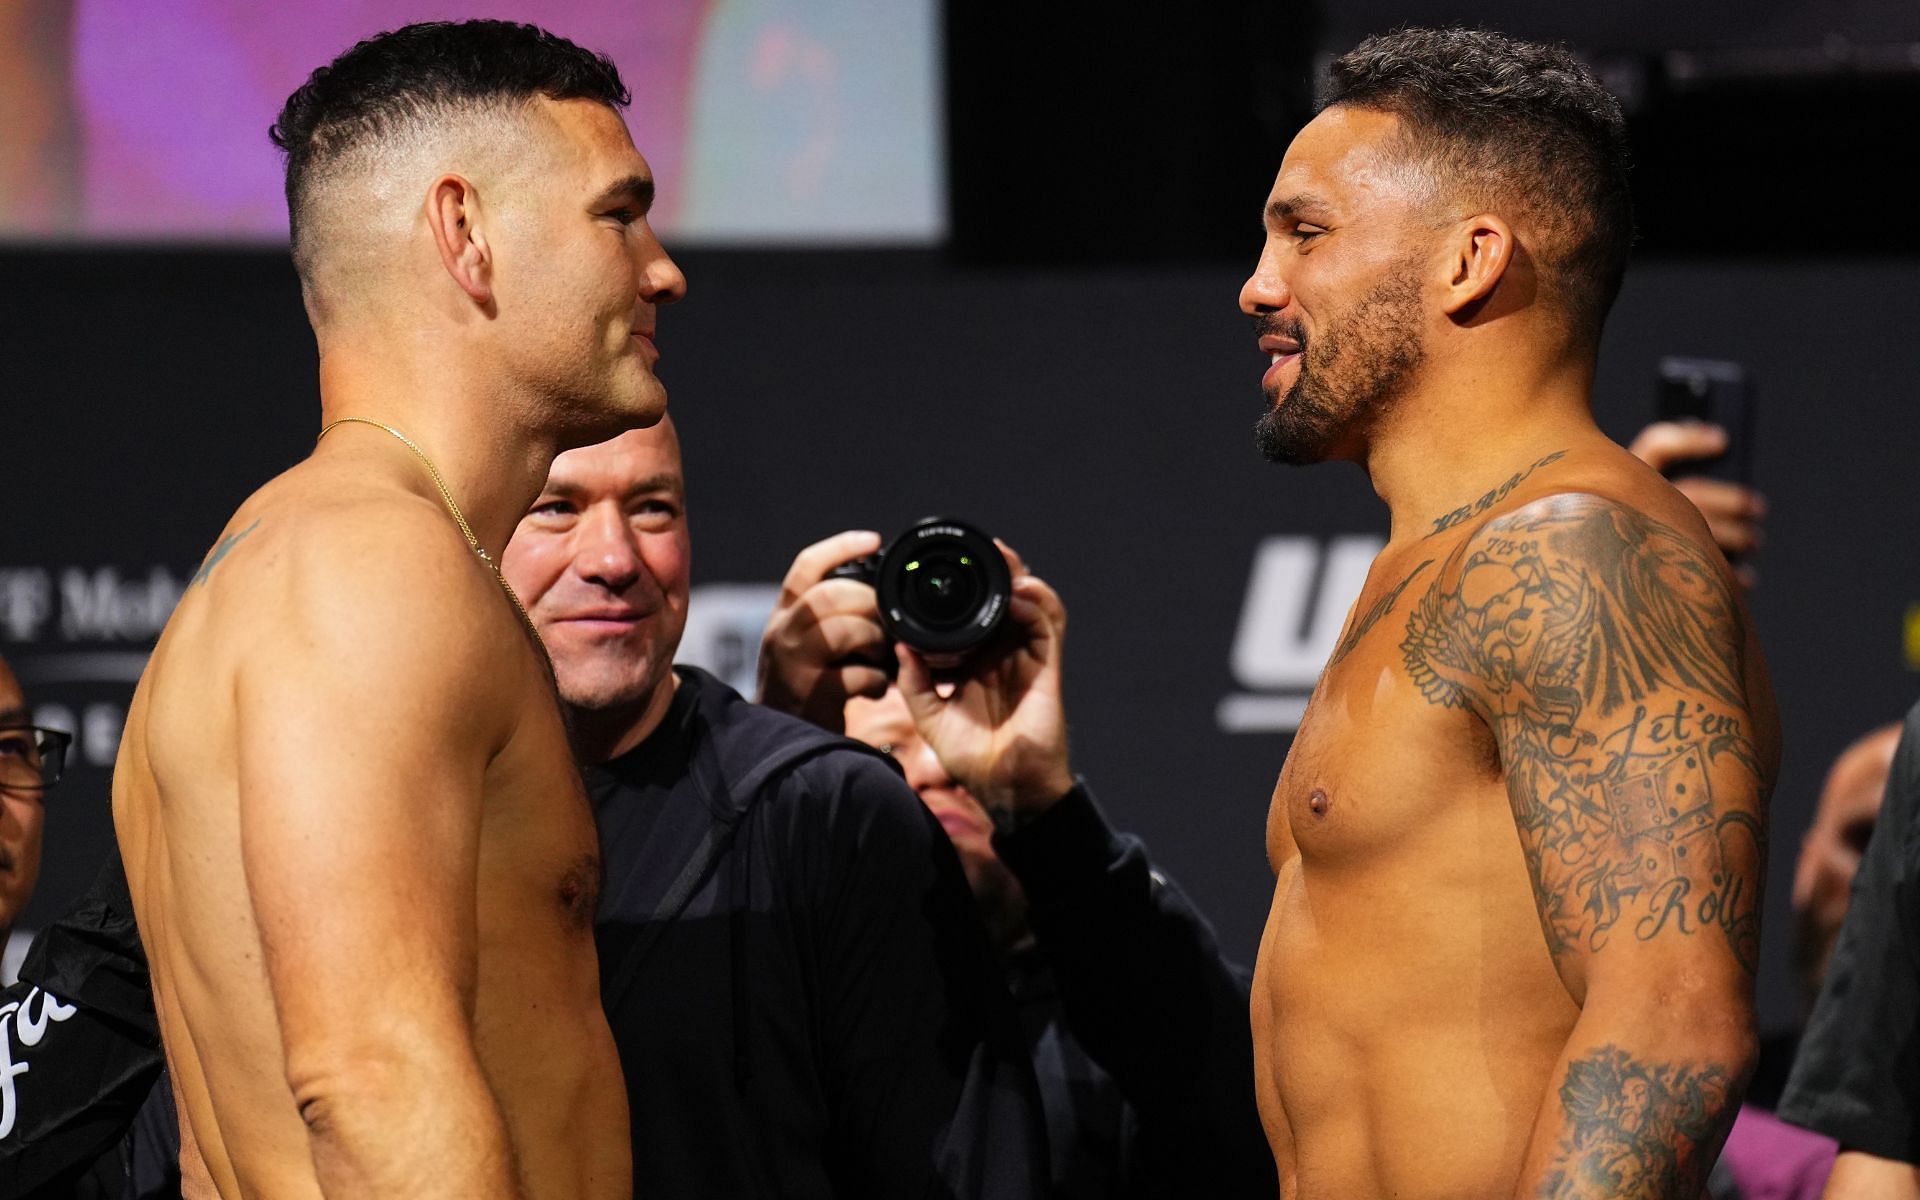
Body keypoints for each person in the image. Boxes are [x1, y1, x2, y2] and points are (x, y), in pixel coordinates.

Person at [110, 20, 682, 1198]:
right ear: (464, 233)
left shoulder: (285, 567)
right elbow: (368, 1082)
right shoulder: (372, 571)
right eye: (618, 215)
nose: (661, 266)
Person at [1226, 27, 1780, 1197]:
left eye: (1306, 233)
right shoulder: (1439, 566)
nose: (1258, 287)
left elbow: (1671, 1028)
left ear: (1470, 260)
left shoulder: (1576, 550)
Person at [498, 417, 1045, 1197]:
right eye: (557, 509)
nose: (615, 560)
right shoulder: (393, 818)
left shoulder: (832, 814)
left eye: (653, 507)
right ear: (467, 531)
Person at [759, 536, 1278, 1197]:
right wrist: (773, 760)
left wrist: (1040, 807)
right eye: (885, 755)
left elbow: (1238, 1110)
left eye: (951, 738)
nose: (935, 769)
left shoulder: (1121, 1021)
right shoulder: (788, 1007)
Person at [1777, 703, 1920, 1198]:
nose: (1878, 881)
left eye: (1908, 851)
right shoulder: (1707, 1126)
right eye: (1864, 840)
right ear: (1805, 864)